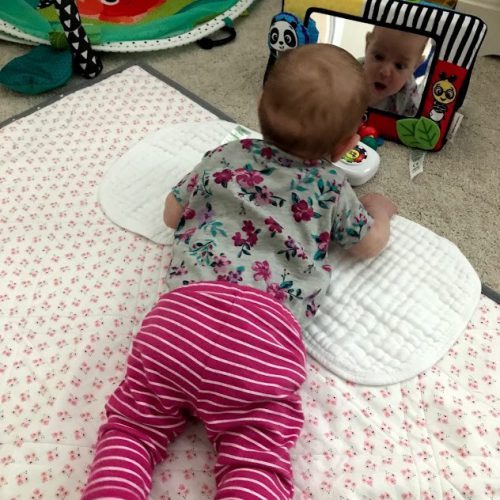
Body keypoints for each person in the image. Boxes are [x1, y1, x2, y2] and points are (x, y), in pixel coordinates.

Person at [82, 43, 396, 500]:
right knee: (255, 458)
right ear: (350, 144)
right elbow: (368, 244)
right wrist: (380, 211)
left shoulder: (226, 153)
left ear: (260, 108)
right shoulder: (331, 186)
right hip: (261, 344)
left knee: (132, 429)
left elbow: (171, 215)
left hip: (178, 324)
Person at [363, 26, 428, 116]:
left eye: (399, 66)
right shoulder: (348, 72)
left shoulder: (409, 96)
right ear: (367, 46)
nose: (385, 72)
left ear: (415, 66)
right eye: (379, 57)